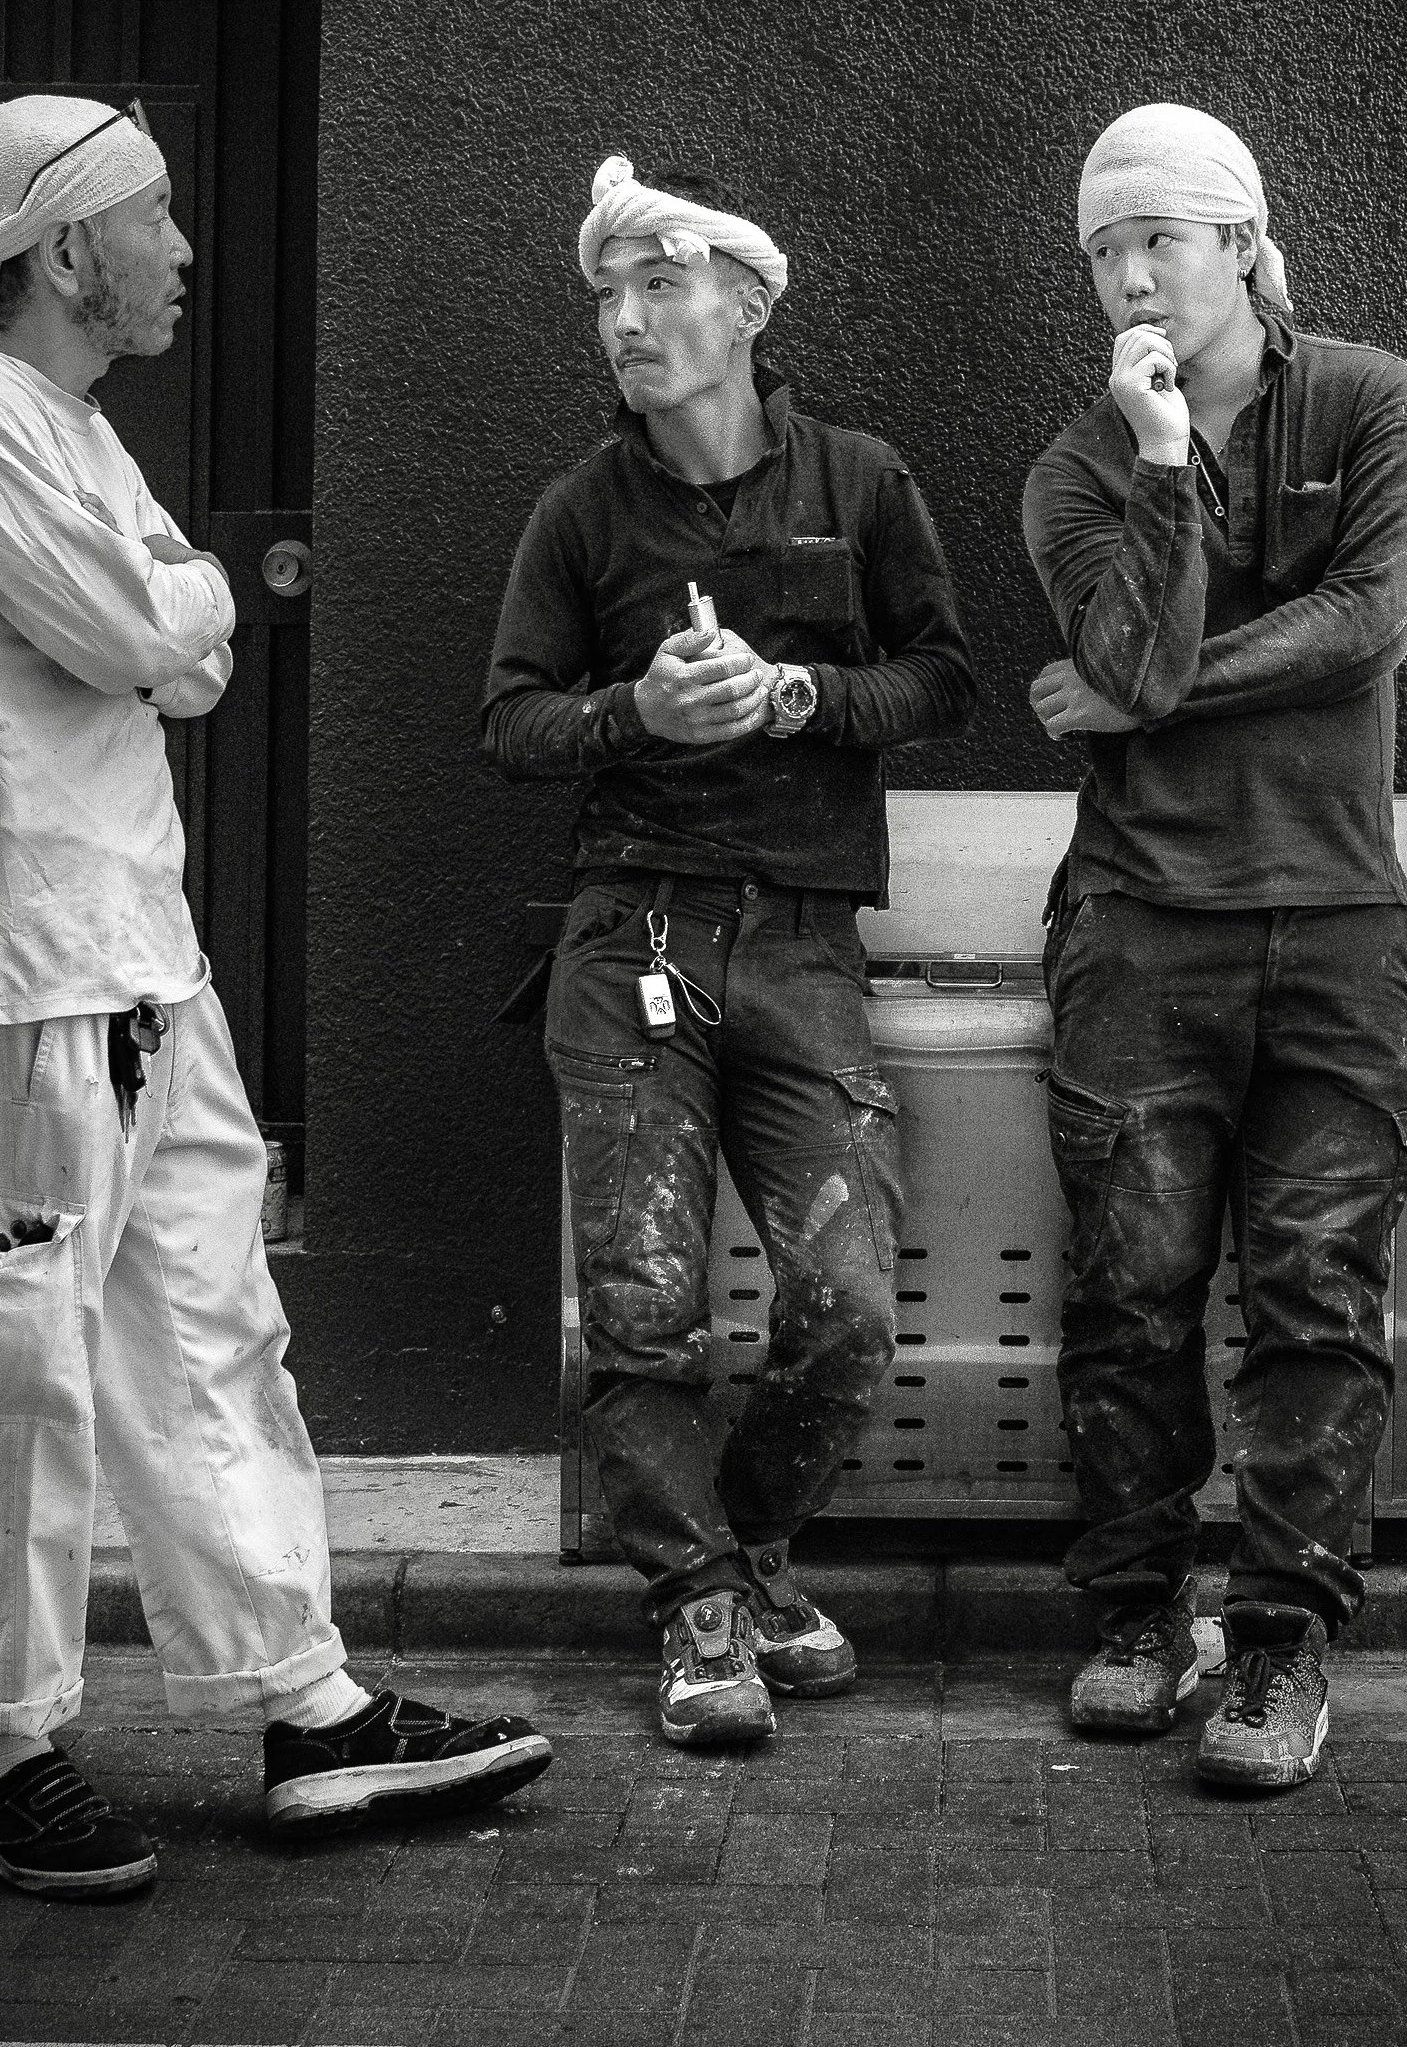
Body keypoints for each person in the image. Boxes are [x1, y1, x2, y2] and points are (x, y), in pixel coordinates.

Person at [0, 94, 551, 1898]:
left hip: (144, 956)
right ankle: (2, 1755)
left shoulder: (67, 422)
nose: (183, 252)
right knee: (27, 1373)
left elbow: (186, 630)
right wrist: (175, 602)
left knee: (208, 1333)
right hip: (25, 971)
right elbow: (147, 634)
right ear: (66, 248)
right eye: (153, 221)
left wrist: (177, 605)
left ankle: (305, 1707)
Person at [484, 156, 975, 1747]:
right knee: (641, 1307)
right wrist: (642, 711)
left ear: (748, 304)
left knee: (846, 1300)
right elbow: (510, 725)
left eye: (658, 287)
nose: (625, 324)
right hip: (633, 937)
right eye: (605, 299)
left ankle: (753, 1549)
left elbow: (945, 677)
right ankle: (696, 1610)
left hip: (805, 948)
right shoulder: (581, 512)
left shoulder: (859, 480)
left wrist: (799, 700)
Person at [1019, 103, 1407, 1789]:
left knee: (1317, 1296)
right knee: (1131, 1294)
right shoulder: (1077, 466)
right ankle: (1137, 1615)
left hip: (1339, 919)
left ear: (1245, 246)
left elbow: (1373, 623)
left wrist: (1142, 694)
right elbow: (1130, 637)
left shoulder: (1371, 401)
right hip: (1139, 927)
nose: (1127, 277)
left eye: (1158, 242)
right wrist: (1166, 458)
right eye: (1102, 253)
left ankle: (1279, 1650)